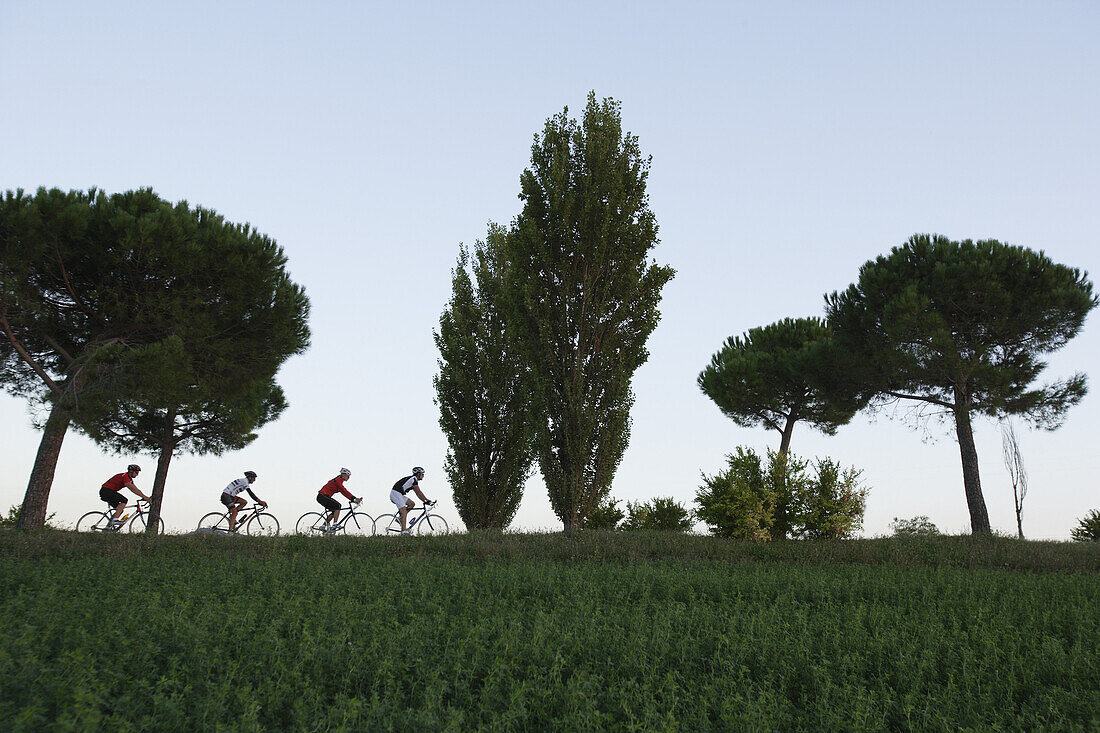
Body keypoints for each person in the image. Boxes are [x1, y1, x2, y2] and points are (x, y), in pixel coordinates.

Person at [99, 464, 152, 529]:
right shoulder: (125, 477)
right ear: (131, 471)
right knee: (124, 500)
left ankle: (107, 528)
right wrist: (145, 497)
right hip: (106, 491)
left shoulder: (129, 478)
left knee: (119, 510)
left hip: (108, 491)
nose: (137, 474)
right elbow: (132, 489)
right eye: (136, 472)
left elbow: (136, 489)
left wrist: (144, 496)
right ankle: (114, 520)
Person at [390, 467, 433, 534]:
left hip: (398, 494)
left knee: (412, 504)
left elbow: (418, 494)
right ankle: (403, 531)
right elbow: (419, 492)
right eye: (422, 474)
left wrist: (425, 500)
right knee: (403, 510)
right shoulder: (413, 480)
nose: (423, 476)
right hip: (396, 493)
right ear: (418, 474)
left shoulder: (413, 480)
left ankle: (400, 518)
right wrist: (427, 500)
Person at [317, 467, 360, 531]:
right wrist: (354, 498)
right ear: (344, 475)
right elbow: (344, 490)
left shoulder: (339, 481)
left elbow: (344, 492)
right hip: (322, 496)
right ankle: (335, 524)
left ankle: (323, 526)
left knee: (334, 511)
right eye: (348, 476)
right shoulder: (338, 480)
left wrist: (353, 499)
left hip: (323, 497)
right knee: (338, 506)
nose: (349, 478)